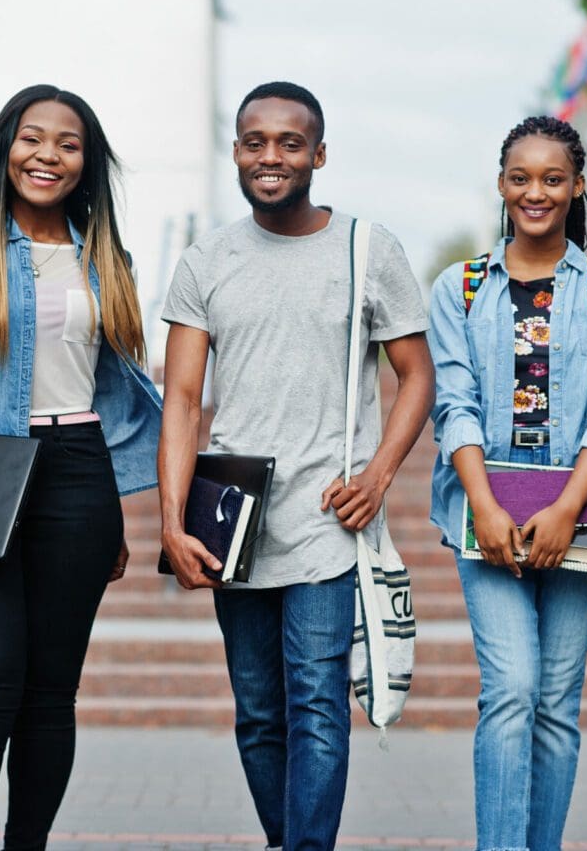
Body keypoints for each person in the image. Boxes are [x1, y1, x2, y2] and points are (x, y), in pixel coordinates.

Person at [158, 81, 434, 851]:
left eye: (288, 142)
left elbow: (416, 374)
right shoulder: (206, 259)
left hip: (325, 517)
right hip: (232, 518)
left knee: (315, 702)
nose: (270, 156)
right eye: (254, 141)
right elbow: (180, 400)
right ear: (237, 150)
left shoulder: (366, 249)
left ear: (317, 154)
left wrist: (378, 475)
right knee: (257, 712)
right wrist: (170, 523)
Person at [0, 84, 161, 851]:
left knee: (51, 695)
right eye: (31, 137)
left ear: (87, 165)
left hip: (80, 477)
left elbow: (116, 389)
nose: (47, 154)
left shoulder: (105, 258)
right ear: (2, 150)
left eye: (68, 143)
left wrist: (114, 506)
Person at [427, 115, 587, 851]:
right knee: (511, 690)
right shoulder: (457, 289)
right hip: (484, 514)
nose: (536, 192)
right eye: (520, 177)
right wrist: (484, 507)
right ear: (500, 185)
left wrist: (565, 508)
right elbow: (451, 403)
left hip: (577, 515)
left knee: (555, 702)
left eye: (553, 178)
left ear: (576, 187)